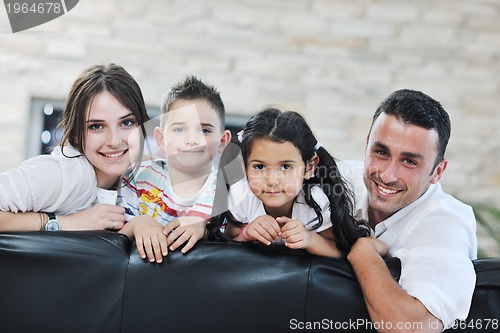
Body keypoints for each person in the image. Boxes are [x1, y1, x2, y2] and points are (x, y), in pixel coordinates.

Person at [343, 89, 477, 332]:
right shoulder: (341, 181)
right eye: (381, 152)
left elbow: (413, 328)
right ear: (366, 145)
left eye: (409, 161)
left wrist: (362, 251)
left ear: (437, 171)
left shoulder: (447, 223)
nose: (387, 175)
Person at [0, 63, 150, 231]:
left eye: (127, 123)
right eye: (96, 126)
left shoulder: (141, 176)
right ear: (77, 135)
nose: (114, 141)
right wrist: (66, 223)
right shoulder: (65, 174)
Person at [224, 108, 370, 258]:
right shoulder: (241, 196)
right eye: (259, 167)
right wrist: (246, 233)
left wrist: (311, 239)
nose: (272, 181)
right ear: (245, 166)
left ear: (309, 167)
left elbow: (341, 251)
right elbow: (226, 240)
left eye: (286, 167)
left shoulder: (315, 202)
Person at [119, 76, 231, 263]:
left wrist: (204, 228)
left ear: (222, 141)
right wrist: (139, 223)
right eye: (179, 129)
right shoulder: (138, 177)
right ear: (161, 139)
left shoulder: (226, 192)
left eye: (205, 130)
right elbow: (111, 243)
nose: (191, 140)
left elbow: (232, 245)